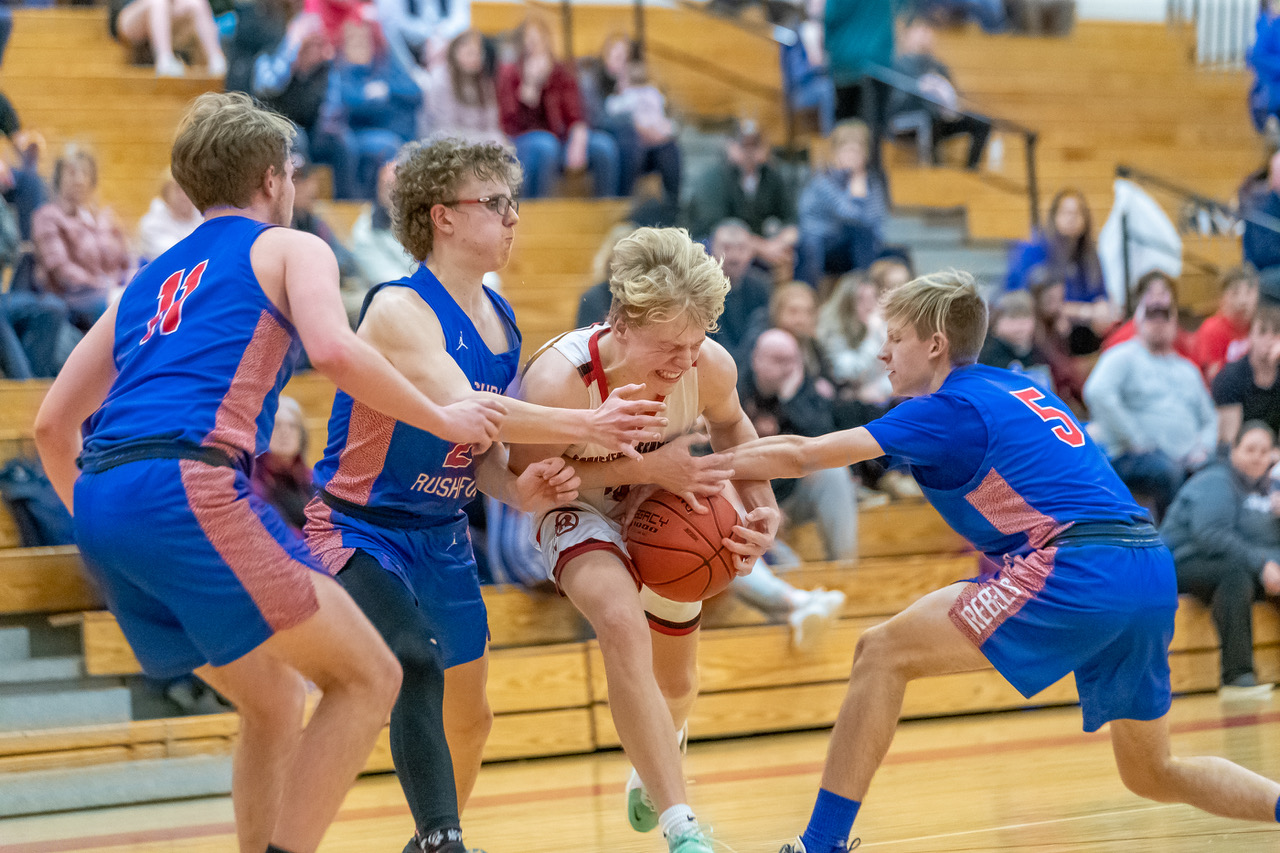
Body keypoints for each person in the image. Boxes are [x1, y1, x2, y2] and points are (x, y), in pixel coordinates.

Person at [31, 92, 506, 853]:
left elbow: (52, 425)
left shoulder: (147, 281)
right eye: (290, 171)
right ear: (270, 179)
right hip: (186, 485)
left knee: (278, 700)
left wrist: (104, 521)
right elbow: (334, 350)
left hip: (104, 506)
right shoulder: (292, 248)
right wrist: (445, 417)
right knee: (369, 677)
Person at [721, 270, 1280, 853]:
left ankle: (820, 844)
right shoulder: (1018, 389)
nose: (883, 351)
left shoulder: (946, 408)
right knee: (1152, 772)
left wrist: (698, 465)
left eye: (895, 337)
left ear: (934, 344)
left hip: (1080, 567)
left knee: (881, 652)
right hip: (1146, 564)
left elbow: (804, 453)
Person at [302, 137, 667, 853]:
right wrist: (588, 421)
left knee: (471, 717)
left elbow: (481, 455)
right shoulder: (398, 309)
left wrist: (520, 487)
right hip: (359, 529)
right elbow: (464, 403)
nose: (512, 218)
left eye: (513, 203)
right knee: (413, 660)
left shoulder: (501, 318)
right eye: (494, 203)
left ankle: (424, 840)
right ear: (441, 216)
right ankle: (445, 841)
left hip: (441, 534)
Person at [512, 226, 780, 853]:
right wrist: (641, 469)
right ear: (621, 325)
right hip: (573, 506)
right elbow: (530, 477)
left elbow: (735, 428)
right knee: (620, 619)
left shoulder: (708, 366)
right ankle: (682, 826)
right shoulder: (561, 379)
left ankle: (654, 756)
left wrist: (763, 507)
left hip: (665, 510)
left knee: (680, 686)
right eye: (670, 346)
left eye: (696, 342)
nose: (685, 361)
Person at [1161, 420, 1280, 698]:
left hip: (1233, 565)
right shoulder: (1215, 480)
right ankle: (1236, 677)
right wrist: (1264, 564)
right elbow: (1211, 535)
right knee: (1235, 573)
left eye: (1264, 451)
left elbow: (1268, 546)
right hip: (1182, 561)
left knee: (1241, 571)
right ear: (1233, 451)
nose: (1257, 457)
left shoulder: (1266, 492)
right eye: (1250, 449)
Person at [1084, 274, 1216, 522]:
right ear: (1139, 318)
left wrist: (1204, 448)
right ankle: (1170, 545)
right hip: (1134, 457)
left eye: (1164, 316)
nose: (1158, 323)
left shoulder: (1187, 369)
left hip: (1189, 457)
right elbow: (1097, 392)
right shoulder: (1123, 356)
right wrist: (1134, 437)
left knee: (1219, 471)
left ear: (1174, 321)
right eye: (1151, 315)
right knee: (1167, 471)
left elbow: (1209, 418)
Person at [740, 327, 857, 562]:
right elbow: (720, 456)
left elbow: (826, 446)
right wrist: (758, 504)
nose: (786, 368)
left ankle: (848, 569)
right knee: (788, 565)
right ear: (756, 359)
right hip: (746, 503)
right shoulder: (736, 390)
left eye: (791, 360)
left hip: (792, 494)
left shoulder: (802, 390)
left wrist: (790, 400)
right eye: (777, 360)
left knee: (834, 474)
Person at [496, 17, 620, 199]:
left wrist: (578, 139)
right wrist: (530, 87)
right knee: (546, 145)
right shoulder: (510, 73)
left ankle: (606, 209)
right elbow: (510, 124)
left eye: (538, 39)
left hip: (560, 138)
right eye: (529, 40)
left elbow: (575, 114)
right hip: (522, 140)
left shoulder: (560, 72)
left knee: (604, 146)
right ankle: (537, 210)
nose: (534, 45)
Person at [31, 144, 134, 331]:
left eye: (85, 173)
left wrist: (128, 284)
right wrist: (105, 288)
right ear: (58, 178)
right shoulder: (47, 216)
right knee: (117, 310)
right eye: (71, 173)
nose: (79, 180)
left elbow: (126, 259)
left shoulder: (104, 217)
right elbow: (61, 270)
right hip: (72, 300)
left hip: (109, 294)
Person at [1006, 188, 1116, 345]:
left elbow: (1101, 297)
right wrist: (1084, 311)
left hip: (1084, 333)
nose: (1071, 218)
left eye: (1077, 213)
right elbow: (1033, 302)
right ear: (1054, 216)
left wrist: (1103, 309)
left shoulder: (1091, 256)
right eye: (1066, 212)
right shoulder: (1034, 250)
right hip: (1042, 333)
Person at [684, 120, 798, 268]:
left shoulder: (772, 176)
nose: (749, 152)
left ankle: (799, 290)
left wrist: (780, 242)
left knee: (805, 247)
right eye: (743, 145)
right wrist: (762, 247)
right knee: (728, 248)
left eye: (754, 145)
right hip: (724, 242)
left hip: (763, 242)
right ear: (730, 145)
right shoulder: (714, 177)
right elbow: (715, 226)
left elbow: (791, 218)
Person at [886, 17, 990, 170]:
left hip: (938, 120)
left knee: (981, 121)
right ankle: (934, 169)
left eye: (928, 30)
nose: (926, 35)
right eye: (920, 29)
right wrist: (920, 88)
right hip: (907, 121)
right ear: (907, 34)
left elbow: (953, 97)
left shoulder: (939, 66)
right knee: (928, 117)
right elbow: (894, 101)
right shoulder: (897, 64)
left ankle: (971, 169)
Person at [795, 119, 888, 288]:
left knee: (892, 251)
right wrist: (857, 189)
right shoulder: (823, 179)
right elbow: (848, 214)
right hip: (820, 240)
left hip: (848, 243)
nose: (852, 157)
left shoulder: (872, 181)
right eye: (847, 151)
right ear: (836, 153)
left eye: (857, 152)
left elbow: (877, 219)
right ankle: (810, 294)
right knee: (857, 233)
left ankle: (868, 293)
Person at [1213, 303, 1280, 446]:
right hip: (1240, 455)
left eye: (1275, 333)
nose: (1269, 340)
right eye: (1262, 332)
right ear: (1250, 337)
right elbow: (1229, 442)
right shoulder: (1231, 376)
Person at [423, 29, 505, 145]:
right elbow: (445, 130)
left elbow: (492, 124)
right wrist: (482, 141)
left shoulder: (484, 81)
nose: (475, 58)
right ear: (455, 53)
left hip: (480, 143)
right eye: (470, 53)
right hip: (448, 145)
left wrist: (495, 141)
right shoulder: (441, 80)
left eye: (478, 53)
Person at [706, 218, 773, 359]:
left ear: (751, 251)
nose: (734, 257)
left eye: (741, 248)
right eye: (726, 248)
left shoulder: (762, 286)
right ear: (711, 249)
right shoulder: (700, 288)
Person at [108, 0, 228, 77]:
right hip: (129, 18)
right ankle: (165, 60)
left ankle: (216, 60)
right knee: (158, 2)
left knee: (196, 3)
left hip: (166, 14)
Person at [1193, 265, 1259, 381]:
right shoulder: (1212, 329)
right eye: (1235, 293)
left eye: (1248, 292)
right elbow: (1213, 379)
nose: (1243, 301)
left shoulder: (1262, 326)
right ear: (1222, 299)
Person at [137, 170, 204, 263]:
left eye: (189, 188)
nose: (184, 195)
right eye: (178, 189)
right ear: (165, 193)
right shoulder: (151, 224)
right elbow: (175, 255)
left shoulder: (203, 217)